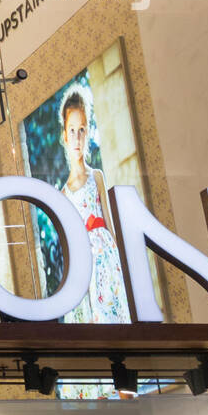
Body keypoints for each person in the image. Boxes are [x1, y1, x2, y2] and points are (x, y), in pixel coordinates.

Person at [57, 84, 130, 323]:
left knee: (115, 313)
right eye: (72, 130)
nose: (77, 137)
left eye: (82, 130)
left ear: (87, 132)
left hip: (107, 257)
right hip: (86, 263)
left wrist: (121, 258)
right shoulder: (64, 193)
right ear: (64, 135)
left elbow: (110, 223)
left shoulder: (97, 176)